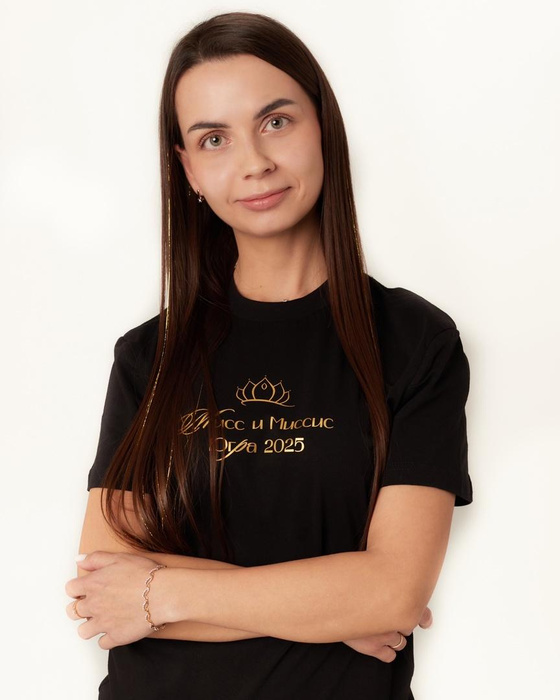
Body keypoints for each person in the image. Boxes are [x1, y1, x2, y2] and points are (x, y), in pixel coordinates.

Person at [65, 10, 473, 699]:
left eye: (276, 121)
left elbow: (393, 593)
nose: (254, 162)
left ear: (323, 127)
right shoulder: (148, 358)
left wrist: (159, 594)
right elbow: (103, 591)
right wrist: (333, 609)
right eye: (214, 139)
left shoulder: (414, 342)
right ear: (188, 169)